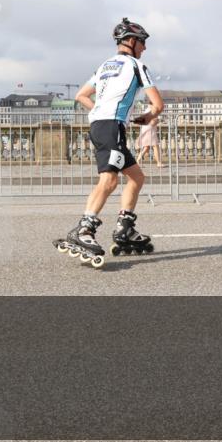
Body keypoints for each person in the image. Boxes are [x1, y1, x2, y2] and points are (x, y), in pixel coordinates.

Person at [53, 17, 164, 267]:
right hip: (112, 126)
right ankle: (84, 229)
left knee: (136, 177)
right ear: (132, 41)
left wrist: (99, 110)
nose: (145, 47)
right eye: (142, 42)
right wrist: (147, 117)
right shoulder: (137, 65)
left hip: (101, 125)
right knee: (109, 180)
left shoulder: (104, 66)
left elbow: (81, 96)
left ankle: (125, 228)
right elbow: (158, 105)